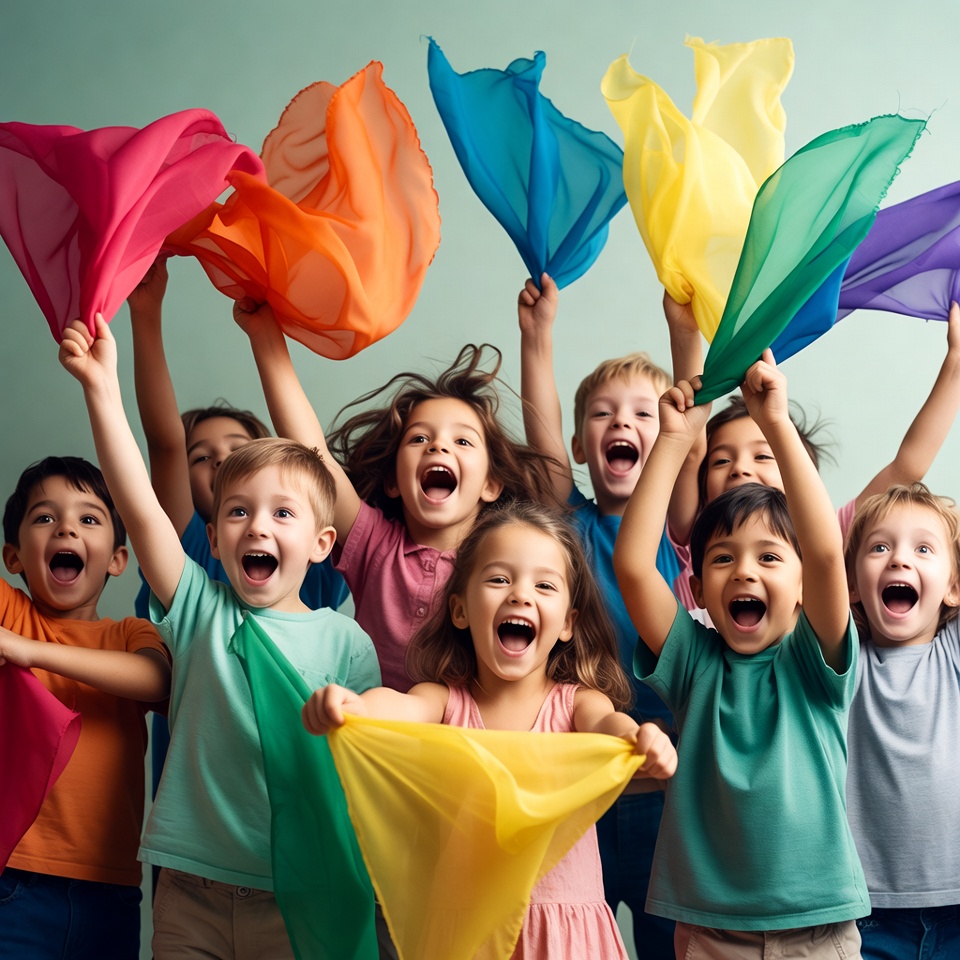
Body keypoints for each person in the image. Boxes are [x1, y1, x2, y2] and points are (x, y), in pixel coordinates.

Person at [59, 316, 380, 960]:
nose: (256, 525)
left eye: (281, 513)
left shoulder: (346, 643)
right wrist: (101, 388)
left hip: (298, 893)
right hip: (191, 889)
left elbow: (368, 772)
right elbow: (141, 501)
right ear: (214, 531)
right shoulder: (200, 606)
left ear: (322, 545)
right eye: (238, 510)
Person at [303, 501, 678, 960]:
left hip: (561, 937)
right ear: (459, 611)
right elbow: (398, 707)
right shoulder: (444, 700)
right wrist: (355, 706)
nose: (520, 595)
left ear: (566, 624)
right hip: (467, 935)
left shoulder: (577, 703)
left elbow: (611, 727)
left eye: (544, 584)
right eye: (499, 579)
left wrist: (643, 740)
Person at [613, 354, 868, 958]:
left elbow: (829, 554)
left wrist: (775, 421)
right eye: (723, 558)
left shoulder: (816, 661)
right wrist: (673, 440)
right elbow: (631, 565)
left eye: (770, 558)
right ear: (697, 589)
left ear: (804, 584)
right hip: (709, 932)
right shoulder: (695, 664)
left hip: (817, 930)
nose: (744, 571)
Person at [236, 298, 563, 691]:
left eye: (462, 440)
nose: (438, 448)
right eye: (420, 438)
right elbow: (314, 454)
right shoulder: (373, 544)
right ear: (393, 480)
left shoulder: (502, 568)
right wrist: (264, 336)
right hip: (371, 741)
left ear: (491, 484)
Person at [517, 274, 696, 956]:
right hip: (576, 789)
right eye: (603, 415)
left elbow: (693, 434)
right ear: (584, 445)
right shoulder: (563, 525)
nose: (623, 424)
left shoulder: (682, 532)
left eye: (645, 414)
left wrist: (684, 333)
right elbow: (541, 447)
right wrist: (537, 338)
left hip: (663, 788)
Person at [128, 260, 349, 794]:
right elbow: (161, 442)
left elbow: (317, 468)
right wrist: (146, 314)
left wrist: (266, 338)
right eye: (202, 457)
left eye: (238, 451)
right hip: (195, 809)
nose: (222, 461)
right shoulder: (188, 558)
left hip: (288, 805)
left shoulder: (312, 576)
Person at [667, 300, 960, 616]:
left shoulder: (824, 538)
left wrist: (956, 365)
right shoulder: (697, 540)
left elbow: (907, 467)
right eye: (721, 461)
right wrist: (685, 329)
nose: (740, 468)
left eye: (764, 456)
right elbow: (691, 448)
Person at [0, 456, 171, 960]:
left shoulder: (131, 634)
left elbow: (156, 679)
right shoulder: (12, 612)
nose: (66, 527)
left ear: (118, 558)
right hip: (14, 878)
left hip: (110, 890)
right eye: (45, 518)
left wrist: (30, 652)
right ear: (14, 556)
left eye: (88, 518)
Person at [844, 482, 960, 959]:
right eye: (879, 547)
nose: (898, 560)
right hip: (865, 912)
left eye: (924, 548)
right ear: (851, 583)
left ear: (953, 586)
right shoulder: (842, 659)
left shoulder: (952, 652)